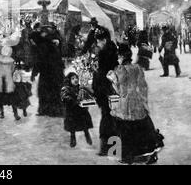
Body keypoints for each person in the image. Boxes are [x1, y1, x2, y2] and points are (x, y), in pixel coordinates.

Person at [107, 43, 164, 164]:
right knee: (143, 126)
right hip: (137, 100)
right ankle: (150, 155)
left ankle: (128, 157)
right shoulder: (137, 67)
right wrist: (144, 101)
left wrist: (113, 81)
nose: (118, 59)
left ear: (122, 56)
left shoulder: (119, 70)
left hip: (125, 103)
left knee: (126, 129)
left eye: (119, 56)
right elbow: (143, 86)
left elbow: (120, 91)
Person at [92, 27, 119, 156]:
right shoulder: (112, 49)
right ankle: (115, 147)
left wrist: (96, 73)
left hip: (105, 88)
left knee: (107, 117)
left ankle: (106, 148)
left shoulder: (104, 53)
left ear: (104, 40)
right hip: (111, 87)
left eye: (98, 41)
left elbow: (103, 72)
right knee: (112, 117)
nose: (97, 44)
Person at [30, 25, 64, 117]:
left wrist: (34, 73)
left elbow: (39, 61)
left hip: (47, 73)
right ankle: (55, 111)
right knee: (54, 91)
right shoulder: (51, 43)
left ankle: (45, 110)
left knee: (45, 92)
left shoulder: (42, 46)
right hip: (56, 72)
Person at [61, 72, 93, 148]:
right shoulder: (66, 88)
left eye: (76, 78)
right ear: (69, 80)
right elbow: (64, 97)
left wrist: (86, 98)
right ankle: (73, 138)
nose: (75, 80)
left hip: (81, 110)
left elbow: (89, 94)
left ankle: (87, 134)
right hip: (71, 111)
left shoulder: (80, 88)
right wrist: (73, 101)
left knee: (84, 124)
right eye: (73, 78)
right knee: (72, 126)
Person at [0, 45, 21, 121]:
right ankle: (16, 115)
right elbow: (12, 71)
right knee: (12, 99)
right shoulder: (11, 62)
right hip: (9, 83)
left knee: (0, 99)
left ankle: (1, 113)